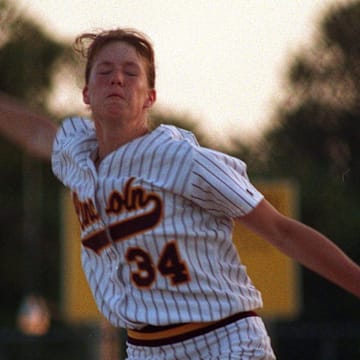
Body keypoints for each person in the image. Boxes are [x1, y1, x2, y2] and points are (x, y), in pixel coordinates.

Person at [1, 28, 360, 360]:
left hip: (225, 339)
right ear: (86, 93)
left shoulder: (183, 159)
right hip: (145, 349)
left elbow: (281, 231)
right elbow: (37, 134)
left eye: (131, 72)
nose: (117, 78)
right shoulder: (76, 155)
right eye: (104, 70)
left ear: (150, 97)